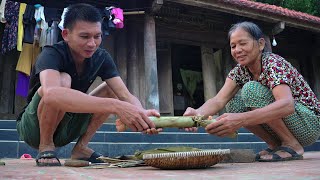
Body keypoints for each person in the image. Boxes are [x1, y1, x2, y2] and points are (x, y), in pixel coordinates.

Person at [16, 3, 160, 167]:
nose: (92, 43)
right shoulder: (51, 54)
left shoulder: (101, 57)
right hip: (34, 129)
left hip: (68, 126)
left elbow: (125, 96)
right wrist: (115, 106)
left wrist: (141, 114)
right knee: (63, 80)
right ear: (66, 34)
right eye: (84, 37)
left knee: (110, 90)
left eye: (97, 36)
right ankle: (46, 145)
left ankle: (81, 148)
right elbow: (51, 94)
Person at [184, 21, 320, 162]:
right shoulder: (239, 72)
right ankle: (275, 145)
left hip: (308, 124)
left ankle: (292, 145)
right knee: (234, 104)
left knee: (250, 89)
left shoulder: (273, 63)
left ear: (260, 44)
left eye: (243, 44)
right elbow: (218, 100)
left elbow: (287, 105)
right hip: (289, 123)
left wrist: (240, 119)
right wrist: (197, 114)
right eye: (233, 46)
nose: (237, 50)